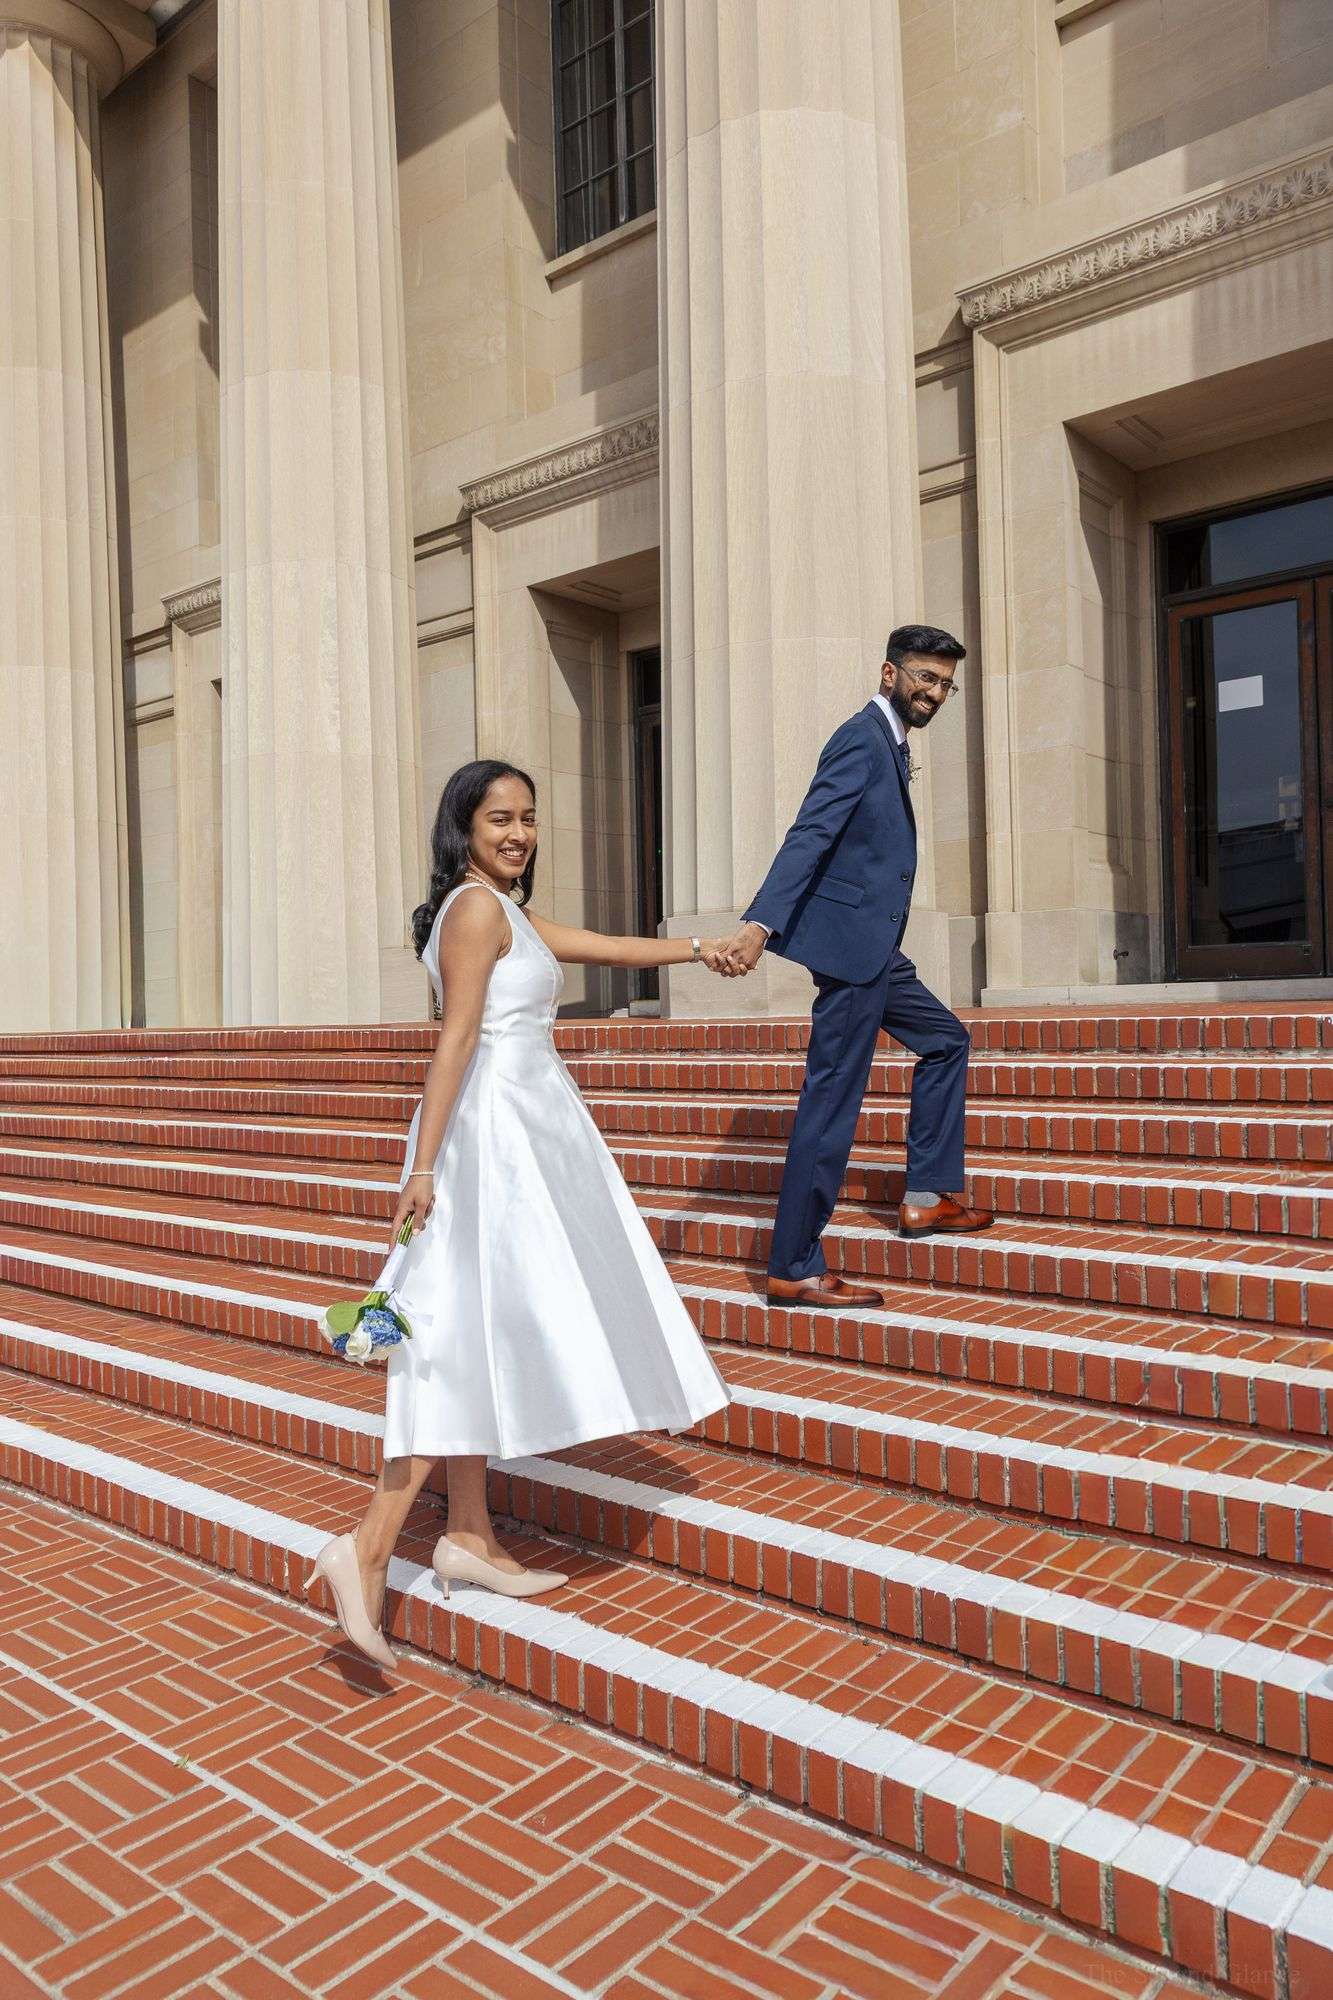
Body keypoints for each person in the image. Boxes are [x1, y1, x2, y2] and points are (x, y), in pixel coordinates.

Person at [308, 759, 735, 1669]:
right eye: (499, 817)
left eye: (528, 818)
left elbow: (604, 948)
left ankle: (467, 1535)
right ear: (462, 825)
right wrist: (425, 1165)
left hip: (521, 1131)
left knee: (479, 1334)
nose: (517, 832)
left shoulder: (498, 911)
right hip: (486, 1141)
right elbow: (456, 1034)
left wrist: (703, 950)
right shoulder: (472, 910)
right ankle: (368, 1548)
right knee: (453, 1337)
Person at [718, 624, 992, 1311]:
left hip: (871, 948)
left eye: (944, 684)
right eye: (924, 678)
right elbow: (811, 831)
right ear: (888, 673)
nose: (933, 692)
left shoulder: (891, 745)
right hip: (851, 952)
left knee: (945, 1039)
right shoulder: (860, 737)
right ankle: (793, 1264)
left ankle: (926, 1198)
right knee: (830, 1102)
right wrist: (760, 922)